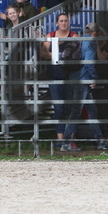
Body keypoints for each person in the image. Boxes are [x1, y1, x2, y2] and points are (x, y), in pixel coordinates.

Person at [60, 22, 108, 152]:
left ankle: (99, 140)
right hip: (83, 79)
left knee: (91, 111)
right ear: (95, 33)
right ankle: (66, 142)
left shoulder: (79, 40)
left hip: (75, 78)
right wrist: (94, 78)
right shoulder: (91, 42)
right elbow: (89, 63)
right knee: (77, 111)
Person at [39, 12, 77, 144]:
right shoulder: (50, 36)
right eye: (61, 21)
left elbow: (77, 53)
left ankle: (70, 137)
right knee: (59, 108)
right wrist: (56, 55)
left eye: (65, 20)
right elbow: (42, 52)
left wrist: (64, 56)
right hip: (54, 75)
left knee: (70, 107)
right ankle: (60, 138)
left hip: (70, 76)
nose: (63, 23)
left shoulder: (74, 36)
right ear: (57, 23)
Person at [88, 22, 108, 141]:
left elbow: (102, 58)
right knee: (98, 109)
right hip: (96, 80)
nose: (96, 36)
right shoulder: (90, 46)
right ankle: (102, 136)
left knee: (107, 109)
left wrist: (96, 45)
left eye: (98, 33)